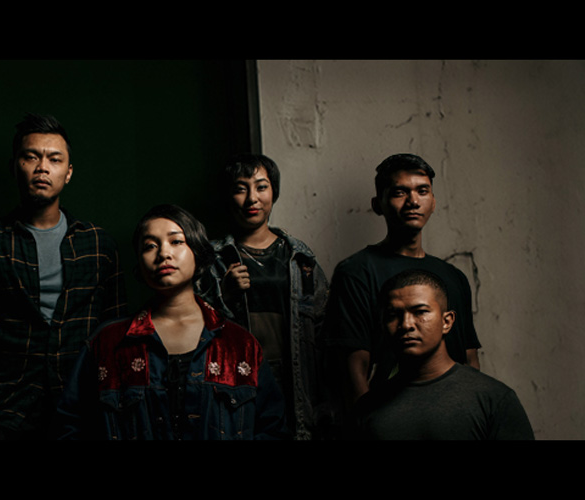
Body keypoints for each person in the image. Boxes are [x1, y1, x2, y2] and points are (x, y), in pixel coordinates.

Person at [0, 113, 126, 439]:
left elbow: (116, 335)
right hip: (3, 413)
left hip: (83, 410)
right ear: (15, 165)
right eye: (31, 156)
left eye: (54, 159)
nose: (43, 167)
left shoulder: (98, 244)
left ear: (68, 173)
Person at [56, 204, 286, 440]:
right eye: (150, 246)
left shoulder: (240, 345)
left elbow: (273, 429)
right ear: (140, 262)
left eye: (176, 241)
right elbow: (71, 425)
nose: (163, 253)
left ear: (197, 251)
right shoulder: (107, 343)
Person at [324, 153, 481, 410]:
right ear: (378, 204)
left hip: (450, 415)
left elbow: (469, 360)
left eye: (422, 191)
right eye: (400, 192)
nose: (413, 201)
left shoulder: (454, 277)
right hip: (388, 417)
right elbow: (353, 369)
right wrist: (370, 429)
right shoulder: (356, 271)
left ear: (433, 202)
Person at [197, 153, 330, 440]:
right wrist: (224, 293)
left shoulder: (300, 258)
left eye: (261, 186)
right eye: (240, 188)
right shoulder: (213, 258)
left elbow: (323, 331)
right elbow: (191, 325)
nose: (252, 199)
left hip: (297, 379)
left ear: (274, 192)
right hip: (236, 379)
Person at [353, 269, 533, 440]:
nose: (406, 324)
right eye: (393, 315)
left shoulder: (494, 400)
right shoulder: (368, 407)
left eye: (420, 312)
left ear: (446, 321)